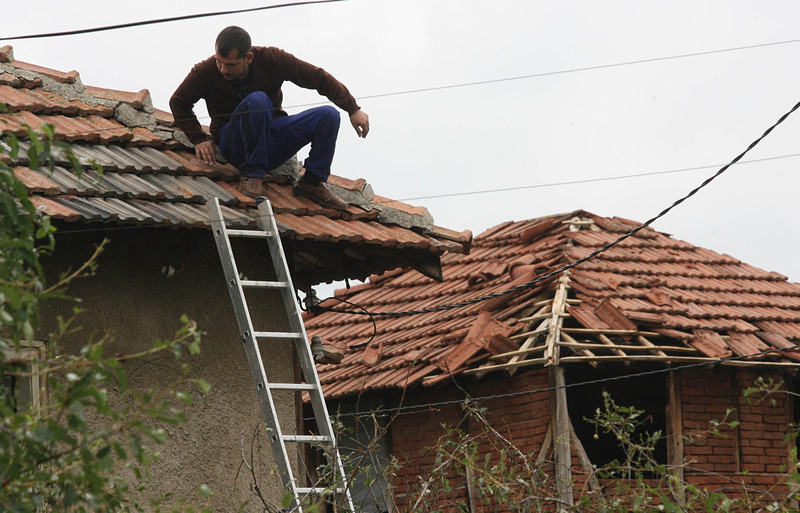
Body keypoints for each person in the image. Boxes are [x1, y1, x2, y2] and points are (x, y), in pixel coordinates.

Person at [169, 26, 369, 210]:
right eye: (219, 62)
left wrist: (352, 109)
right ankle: (252, 174)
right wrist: (199, 138)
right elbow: (178, 102)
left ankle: (312, 182)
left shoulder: (272, 59)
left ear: (248, 58)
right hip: (235, 145)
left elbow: (317, 77)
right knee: (258, 100)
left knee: (328, 115)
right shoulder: (205, 72)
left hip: (271, 141)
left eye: (230, 65)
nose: (223, 70)